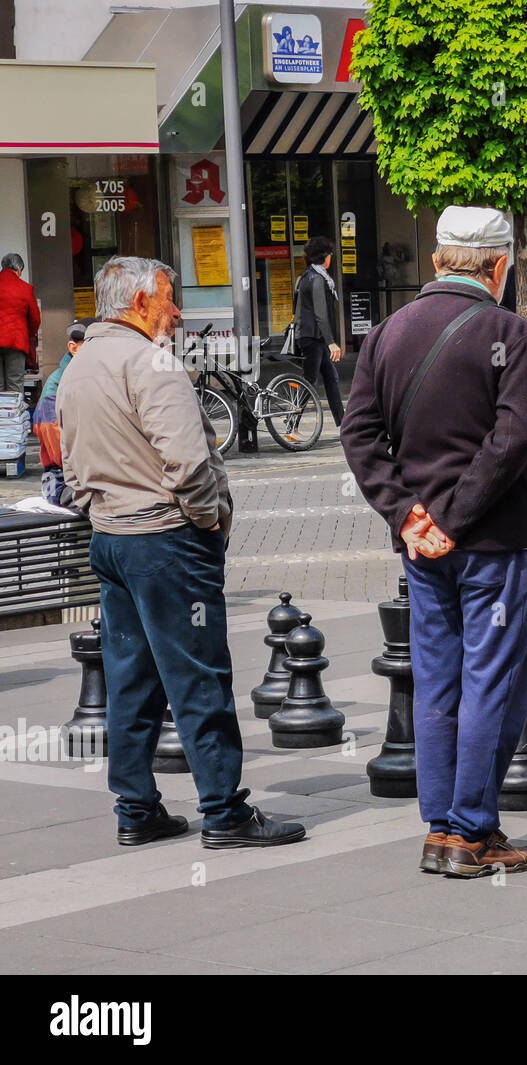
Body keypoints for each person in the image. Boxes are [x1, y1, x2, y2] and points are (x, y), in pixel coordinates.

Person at [57, 256, 306, 848]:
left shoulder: (79, 363)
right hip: (166, 540)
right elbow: (190, 462)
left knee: (130, 678)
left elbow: (67, 464)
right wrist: (206, 521)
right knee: (198, 676)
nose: (176, 311)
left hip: (112, 540)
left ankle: (136, 808)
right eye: (168, 299)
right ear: (140, 303)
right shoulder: (153, 362)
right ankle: (224, 811)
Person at [342, 206, 527, 879]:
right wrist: (456, 517)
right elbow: (512, 440)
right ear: (499, 266)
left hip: (423, 548)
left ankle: (439, 827)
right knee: (492, 681)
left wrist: (410, 516)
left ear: (436, 261)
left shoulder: (388, 333)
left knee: (437, 680)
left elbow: (360, 434)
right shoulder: (511, 333)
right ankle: (471, 832)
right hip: (491, 542)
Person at [32, 316, 95, 506]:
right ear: (73, 348)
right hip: (64, 482)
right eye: (92, 347)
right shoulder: (54, 388)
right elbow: (60, 454)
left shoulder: (98, 379)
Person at [294, 236, 345, 427]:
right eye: (330, 254)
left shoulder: (307, 276)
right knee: (309, 381)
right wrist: (331, 342)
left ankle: (343, 422)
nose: (331, 257)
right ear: (324, 257)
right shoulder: (317, 279)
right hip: (311, 338)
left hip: (314, 337)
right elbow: (321, 314)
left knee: (331, 378)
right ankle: (292, 423)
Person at [0, 252, 40, 395]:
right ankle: (13, 417)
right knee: (15, 384)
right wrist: (28, 335)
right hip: (16, 342)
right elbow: (35, 319)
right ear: (19, 269)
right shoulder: (25, 288)